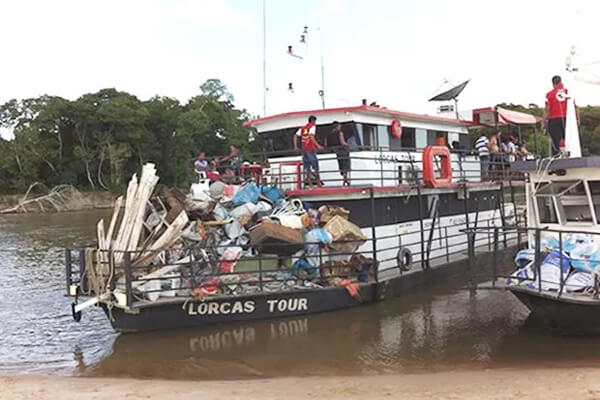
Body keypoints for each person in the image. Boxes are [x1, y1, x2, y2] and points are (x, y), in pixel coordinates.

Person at [293, 115, 322, 189]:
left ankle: (310, 185)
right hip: (311, 149)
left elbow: (295, 136)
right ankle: (318, 183)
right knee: (315, 167)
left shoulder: (303, 128)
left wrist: (295, 146)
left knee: (307, 168)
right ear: (313, 121)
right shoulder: (312, 127)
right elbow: (312, 137)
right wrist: (318, 145)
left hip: (304, 150)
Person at [542, 75, 568, 155]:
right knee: (569, 139)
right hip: (566, 118)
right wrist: (577, 119)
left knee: (555, 141)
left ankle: (557, 160)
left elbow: (547, 109)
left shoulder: (549, 94)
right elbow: (575, 106)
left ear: (553, 83)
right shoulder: (567, 92)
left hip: (554, 119)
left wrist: (543, 121)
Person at [325, 122, 351, 186]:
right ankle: (345, 179)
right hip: (342, 150)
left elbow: (326, 144)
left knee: (341, 165)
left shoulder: (328, 135)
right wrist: (348, 145)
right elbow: (342, 142)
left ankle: (345, 179)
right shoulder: (340, 133)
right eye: (339, 126)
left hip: (334, 151)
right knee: (345, 164)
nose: (340, 127)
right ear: (337, 127)